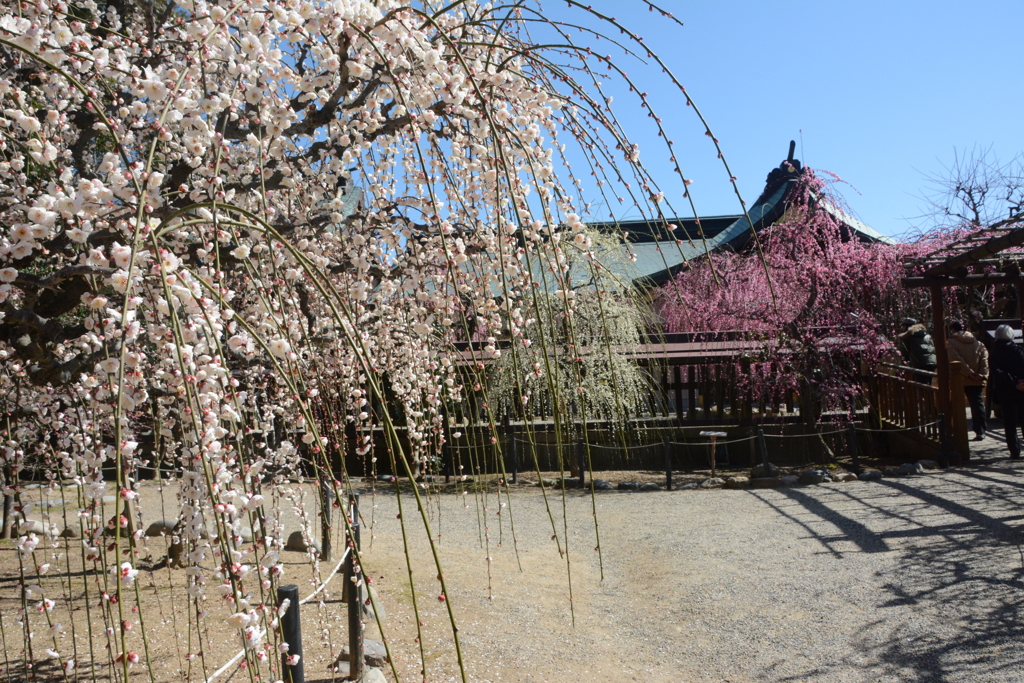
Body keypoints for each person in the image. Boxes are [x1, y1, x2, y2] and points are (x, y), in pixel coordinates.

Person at [946, 320, 989, 440]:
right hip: (977, 380)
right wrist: (981, 374)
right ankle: (980, 430)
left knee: (957, 405)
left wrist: (969, 373)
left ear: (953, 330)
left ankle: (958, 432)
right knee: (977, 404)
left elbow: (955, 359)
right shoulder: (978, 343)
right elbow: (984, 360)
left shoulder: (951, 342)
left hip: (959, 378)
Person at [988, 324, 1024, 460]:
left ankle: (1014, 451)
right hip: (1021, 389)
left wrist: (1013, 381)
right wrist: (1021, 382)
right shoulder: (1019, 350)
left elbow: (997, 372)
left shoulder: (995, 353)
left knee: (1009, 421)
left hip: (1005, 390)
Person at [897, 317, 937, 383]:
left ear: (906, 326)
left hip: (919, 363)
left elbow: (904, 354)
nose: (902, 328)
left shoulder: (907, 336)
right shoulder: (926, 334)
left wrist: (904, 363)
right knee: (928, 384)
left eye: (903, 326)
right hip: (931, 362)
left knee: (921, 385)